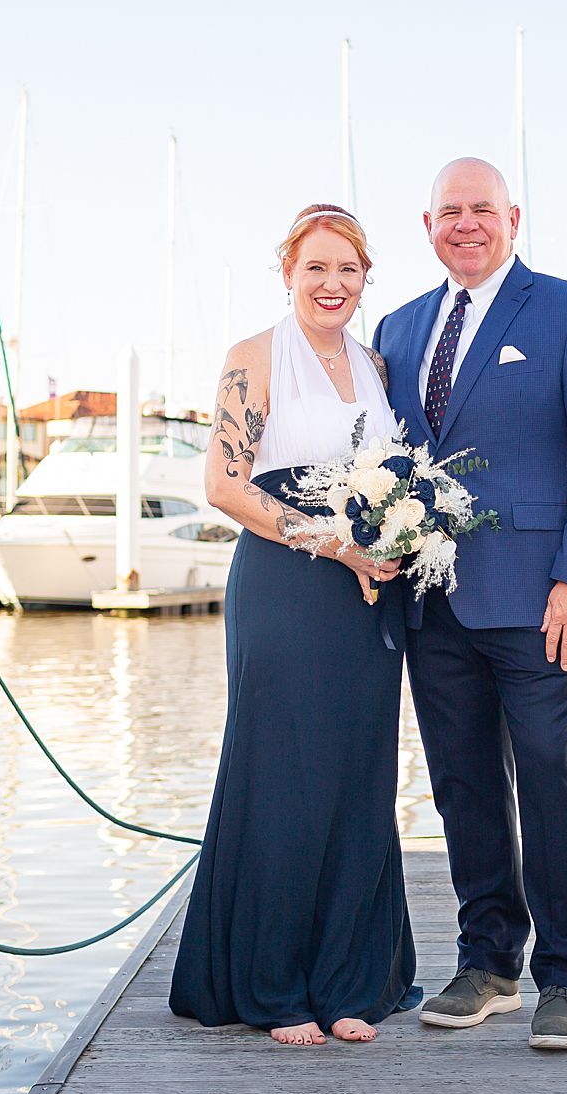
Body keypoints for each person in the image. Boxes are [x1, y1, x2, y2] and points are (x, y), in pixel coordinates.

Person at [372, 158, 567, 1050]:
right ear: (428, 225)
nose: (467, 224)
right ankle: (488, 962)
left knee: (549, 776)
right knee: (463, 787)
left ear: (513, 218)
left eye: (482, 209)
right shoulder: (400, 328)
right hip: (431, 602)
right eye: (451, 211)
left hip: (540, 600)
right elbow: (388, 457)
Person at [168, 204, 421, 1046]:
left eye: (348, 270)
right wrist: (338, 546)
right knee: (283, 777)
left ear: (364, 279)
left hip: (365, 600)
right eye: (316, 268)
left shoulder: (378, 364)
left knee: (357, 776)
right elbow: (225, 486)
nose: (332, 284)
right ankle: (274, 986)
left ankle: (348, 981)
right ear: (287, 272)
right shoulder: (252, 360)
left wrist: (396, 536)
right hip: (284, 584)